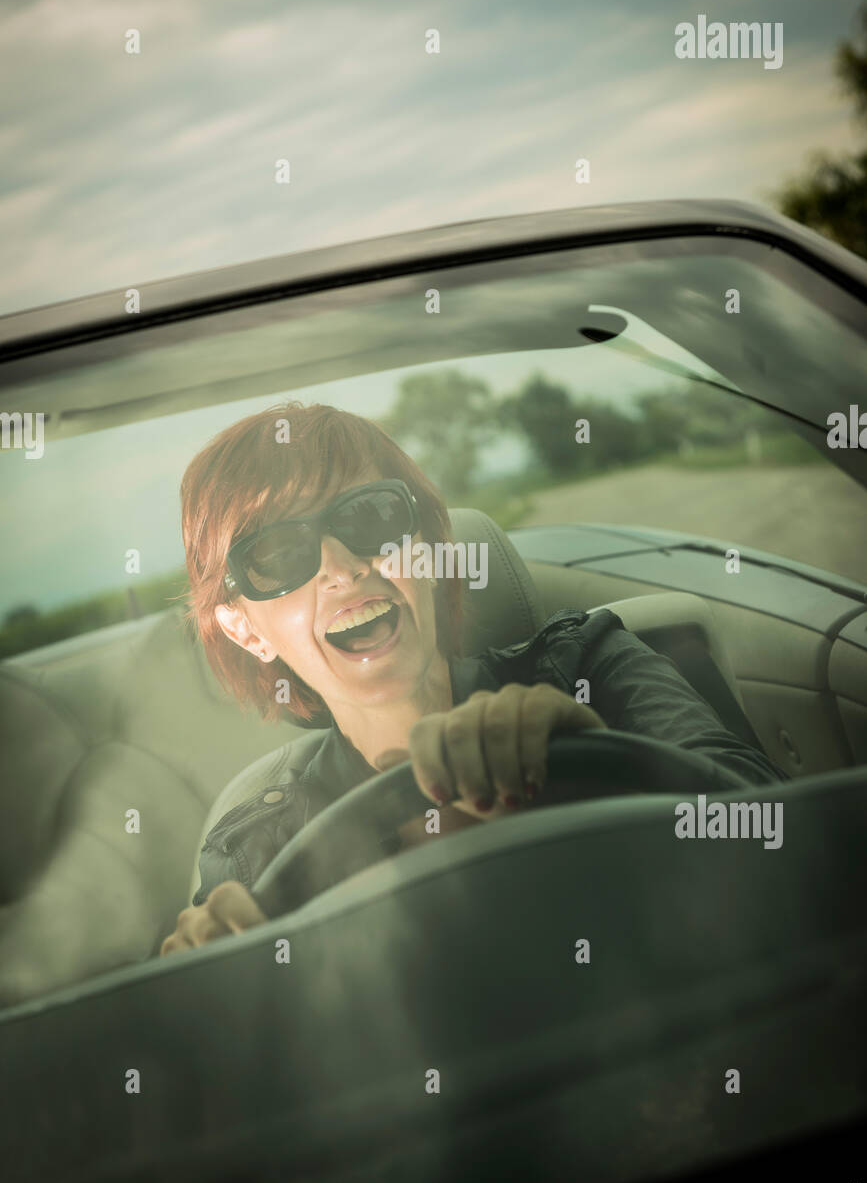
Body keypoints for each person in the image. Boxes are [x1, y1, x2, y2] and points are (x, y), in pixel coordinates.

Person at [160, 401, 787, 956]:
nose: (341, 567)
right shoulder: (254, 854)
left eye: (371, 519)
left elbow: (784, 833)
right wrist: (203, 990)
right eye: (276, 556)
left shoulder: (590, 665)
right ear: (245, 630)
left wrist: (591, 762)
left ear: (431, 550)